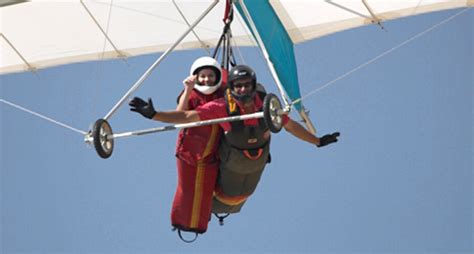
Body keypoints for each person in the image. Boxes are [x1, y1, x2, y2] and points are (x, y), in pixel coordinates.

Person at [129, 65, 339, 223]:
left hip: (255, 166)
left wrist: (317, 141)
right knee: (227, 194)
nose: (242, 89)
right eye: (238, 86)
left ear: (253, 85)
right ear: (231, 88)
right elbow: (186, 116)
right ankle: (206, 208)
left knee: (243, 193)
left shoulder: (265, 106)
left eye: (247, 85)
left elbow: (291, 126)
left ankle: (222, 206)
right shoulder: (221, 107)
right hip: (232, 165)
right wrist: (154, 115)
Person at [132, 56, 224, 236]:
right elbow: (180, 115)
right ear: (195, 77)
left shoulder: (221, 95)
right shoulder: (191, 93)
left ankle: (200, 223)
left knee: (205, 190)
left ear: (217, 77)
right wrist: (188, 89)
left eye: (210, 76)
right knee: (186, 188)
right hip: (189, 151)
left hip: (210, 153)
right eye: (202, 76)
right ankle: (181, 222)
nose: (206, 80)